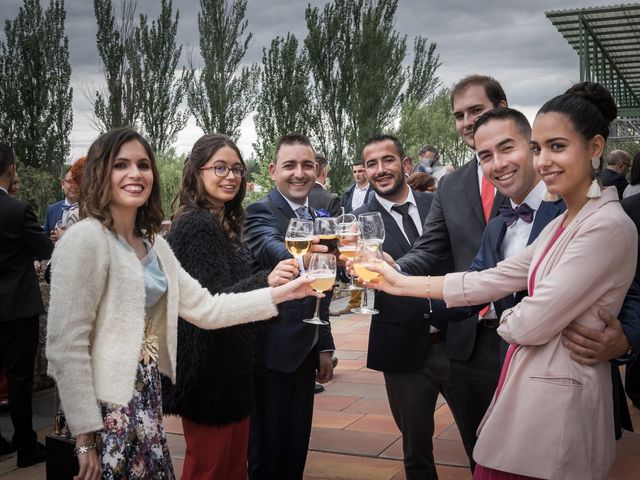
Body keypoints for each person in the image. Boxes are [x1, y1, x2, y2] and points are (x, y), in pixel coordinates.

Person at [363, 82, 636, 480]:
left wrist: (624, 336)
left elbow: (529, 318)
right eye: (484, 152)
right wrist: (395, 279)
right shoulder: (552, 220)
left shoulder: (599, 219)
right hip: (483, 355)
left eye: (553, 147)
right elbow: (482, 278)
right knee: (488, 455)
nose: (543, 161)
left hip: (557, 377)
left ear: (594, 148)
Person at [46, 128, 319, 480]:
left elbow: (208, 309)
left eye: (144, 165)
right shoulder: (84, 240)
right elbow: (66, 346)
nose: (135, 174)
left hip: (145, 396)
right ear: (101, 173)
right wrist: (83, 437)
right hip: (104, 404)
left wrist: (283, 292)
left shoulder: (152, 245)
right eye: (121, 165)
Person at [160, 133, 299, 479]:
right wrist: (268, 280)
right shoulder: (196, 225)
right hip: (209, 377)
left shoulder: (222, 222)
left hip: (228, 373)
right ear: (196, 172)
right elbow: (213, 305)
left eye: (237, 169)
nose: (231, 176)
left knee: (232, 469)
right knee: (210, 470)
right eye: (219, 167)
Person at [394, 74, 508, 467]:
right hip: (469, 341)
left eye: (476, 110)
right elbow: (430, 247)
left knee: (534, 456)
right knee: (481, 455)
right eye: (459, 115)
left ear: (502, 107)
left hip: (531, 340)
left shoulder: (541, 172)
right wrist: (393, 269)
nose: (467, 122)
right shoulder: (451, 185)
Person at [244, 133, 335, 479]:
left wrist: (325, 345)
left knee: (296, 450)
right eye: (290, 165)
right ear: (272, 170)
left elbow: (322, 290)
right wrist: (305, 257)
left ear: (317, 170)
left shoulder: (319, 213)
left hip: (306, 349)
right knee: (266, 455)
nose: (299, 173)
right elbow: (269, 246)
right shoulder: (259, 210)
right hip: (269, 351)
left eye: (307, 165)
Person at [351, 134, 438, 479]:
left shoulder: (438, 205)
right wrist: (353, 273)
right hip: (402, 345)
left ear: (405, 164)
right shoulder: (358, 221)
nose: (379, 169)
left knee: (484, 439)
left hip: (459, 339)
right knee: (416, 452)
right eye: (371, 163)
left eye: (387, 160)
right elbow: (358, 282)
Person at [0, 144, 53, 468]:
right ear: (10, 169)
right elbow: (44, 247)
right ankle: (26, 446)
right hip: (16, 306)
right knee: (20, 379)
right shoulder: (17, 212)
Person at [43, 166, 78, 241]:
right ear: (62, 184)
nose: (73, 185)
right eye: (70, 181)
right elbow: (43, 240)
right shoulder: (51, 209)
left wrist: (64, 236)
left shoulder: (89, 210)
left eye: (77, 181)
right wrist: (51, 239)